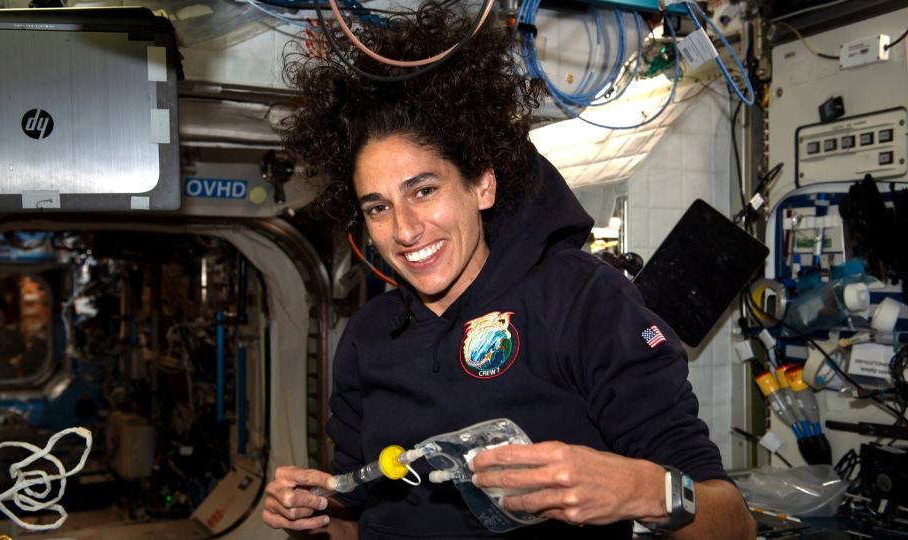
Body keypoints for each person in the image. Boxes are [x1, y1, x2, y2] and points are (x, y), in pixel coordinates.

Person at [262, 3, 754, 539]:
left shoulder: (580, 301)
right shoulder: (367, 336)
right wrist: (310, 517)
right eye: (378, 207)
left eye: (424, 191)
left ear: (482, 184)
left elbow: (732, 524)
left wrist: (639, 489)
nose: (404, 231)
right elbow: (356, 522)